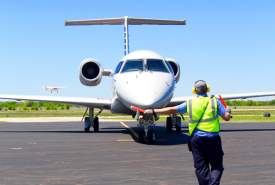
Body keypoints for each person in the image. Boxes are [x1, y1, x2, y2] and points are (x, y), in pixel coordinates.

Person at [144, 80, 231, 185]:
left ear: (194, 91)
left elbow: (172, 110)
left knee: (201, 167)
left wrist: (153, 111)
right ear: (207, 89)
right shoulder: (215, 101)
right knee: (217, 166)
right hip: (213, 139)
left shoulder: (190, 103)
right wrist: (228, 111)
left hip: (197, 140)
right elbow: (226, 117)